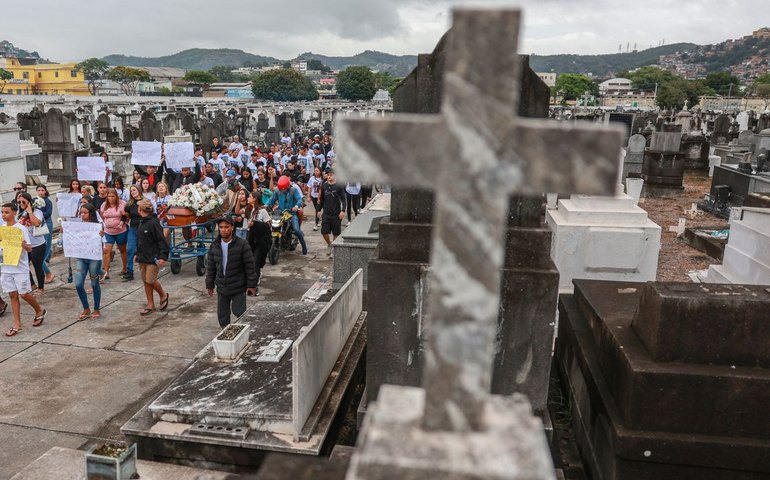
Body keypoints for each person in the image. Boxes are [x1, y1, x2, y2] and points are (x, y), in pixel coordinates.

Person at [2, 203, 46, 336]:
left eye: (7, 212)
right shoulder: (1, 228)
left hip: (19, 267)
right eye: (2, 212)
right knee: (12, 295)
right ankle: (17, 324)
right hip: (5, 267)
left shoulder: (21, 229)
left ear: (14, 212)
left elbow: (29, 248)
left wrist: (24, 245)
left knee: (24, 294)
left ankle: (39, 310)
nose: (4, 215)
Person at [206, 215, 256, 327]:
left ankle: (243, 336)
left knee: (241, 314)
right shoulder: (214, 246)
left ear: (232, 228)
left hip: (238, 286)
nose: (223, 230)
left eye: (226, 227)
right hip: (222, 287)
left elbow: (250, 266)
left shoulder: (242, 244)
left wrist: (251, 285)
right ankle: (226, 337)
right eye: (221, 227)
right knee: (222, 317)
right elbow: (211, 267)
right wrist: (209, 284)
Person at [136, 199, 170, 315]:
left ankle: (163, 295)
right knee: (145, 281)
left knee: (150, 279)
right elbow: (140, 241)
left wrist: (163, 256)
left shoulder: (153, 223)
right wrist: (137, 253)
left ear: (140, 210)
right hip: (143, 257)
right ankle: (150, 304)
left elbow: (162, 241)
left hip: (152, 257)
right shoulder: (142, 222)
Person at [72, 203, 104, 320]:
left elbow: (103, 244)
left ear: (91, 214)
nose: (82, 215)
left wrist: (101, 235)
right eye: (81, 213)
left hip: (94, 257)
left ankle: (96, 308)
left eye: (85, 213)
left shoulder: (98, 225)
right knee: (78, 284)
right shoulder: (78, 226)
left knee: (94, 283)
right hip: (81, 256)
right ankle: (86, 308)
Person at [266, 176, 308, 255]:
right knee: (271, 227)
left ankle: (304, 247)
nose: (283, 190)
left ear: (288, 186)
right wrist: (267, 205)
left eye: (284, 188)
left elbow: (299, 199)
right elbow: (271, 200)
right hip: (280, 213)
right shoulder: (277, 191)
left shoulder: (293, 190)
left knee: (296, 229)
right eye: (281, 189)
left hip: (291, 214)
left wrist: (296, 206)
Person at [16, 193, 47, 295]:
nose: (21, 203)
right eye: (19, 202)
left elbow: (36, 223)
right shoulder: (19, 213)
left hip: (37, 244)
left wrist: (29, 211)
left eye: (23, 202)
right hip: (25, 245)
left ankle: (41, 288)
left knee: (37, 266)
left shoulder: (37, 212)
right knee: (23, 266)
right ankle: (33, 284)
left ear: (29, 202)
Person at [100, 188, 128, 281]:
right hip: (108, 231)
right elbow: (101, 217)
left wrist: (122, 222)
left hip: (120, 231)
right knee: (107, 251)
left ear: (116, 196)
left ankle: (124, 268)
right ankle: (106, 271)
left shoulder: (122, 204)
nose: (111, 198)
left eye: (112, 196)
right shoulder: (104, 205)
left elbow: (125, 216)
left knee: (122, 250)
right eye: (109, 196)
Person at [317, 169, 347, 257]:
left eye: (331, 175)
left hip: (336, 213)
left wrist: (343, 211)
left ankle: (334, 248)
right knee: (324, 232)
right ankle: (329, 244)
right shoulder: (324, 186)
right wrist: (319, 210)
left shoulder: (339, 186)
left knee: (336, 233)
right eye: (328, 175)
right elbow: (321, 199)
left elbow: (344, 199)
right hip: (326, 213)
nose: (329, 177)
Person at [246, 192, 271, 293]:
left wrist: (255, 224)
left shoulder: (263, 211)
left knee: (255, 261)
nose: (248, 198)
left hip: (261, 241)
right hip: (253, 240)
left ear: (255, 198)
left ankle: (253, 285)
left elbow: (268, 225)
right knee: (252, 261)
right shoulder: (252, 210)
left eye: (250, 197)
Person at [124, 185, 147, 282]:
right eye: (131, 191)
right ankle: (129, 271)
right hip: (133, 229)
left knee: (144, 249)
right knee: (130, 249)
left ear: (139, 190)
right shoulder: (129, 204)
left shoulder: (145, 201)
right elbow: (127, 216)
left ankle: (147, 269)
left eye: (134, 190)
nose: (133, 192)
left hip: (144, 229)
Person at [35, 185, 55, 283]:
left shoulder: (47, 201)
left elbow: (48, 213)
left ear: (45, 191)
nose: (40, 192)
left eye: (42, 190)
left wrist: (39, 213)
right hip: (37, 224)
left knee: (47, 243)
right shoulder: (34, 200)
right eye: (39, 190)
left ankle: (46, 261)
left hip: (47, 223)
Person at [307, 167, 323, 231]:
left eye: (317, 171)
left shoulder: (322, 179)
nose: (316, 172)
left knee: (317, 210)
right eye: (315, 171)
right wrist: (308, 196)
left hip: (321, 197)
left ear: (320, 172)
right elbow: (309, 188)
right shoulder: (312, 178)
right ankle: (318, 220)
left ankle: (316, 224)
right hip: (314, 196)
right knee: (316, 209)